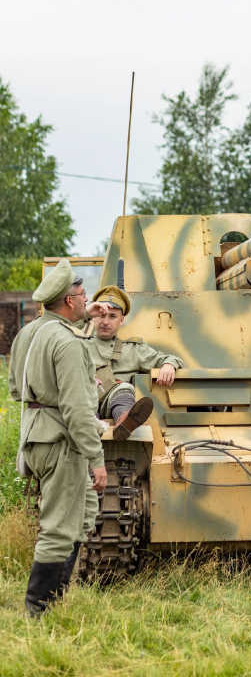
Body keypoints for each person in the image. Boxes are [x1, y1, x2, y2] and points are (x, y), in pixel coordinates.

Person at [9, 260, 111, 615]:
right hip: (63, 442)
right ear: (69, 301)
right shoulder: (68, 343)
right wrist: (97, 460)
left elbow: (15, 388)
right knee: (58, 528)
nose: (89, 303)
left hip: (37, 435)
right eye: (83, 296)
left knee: (82, 515)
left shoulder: (30, 332)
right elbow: (78, 411)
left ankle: (55, 601)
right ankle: (39, 611)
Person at [84, 285, 185, 440]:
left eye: (112, 316)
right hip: (86, 403)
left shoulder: (133, 349)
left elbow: (171, 359)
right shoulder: (78, 345)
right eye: (101, 315)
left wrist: (169, 365)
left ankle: (124, 422)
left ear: (121, 319)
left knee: (124, 388)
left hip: (115, 401)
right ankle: (91, 423)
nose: (105, 321)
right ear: (93, 316)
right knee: (82, 394)